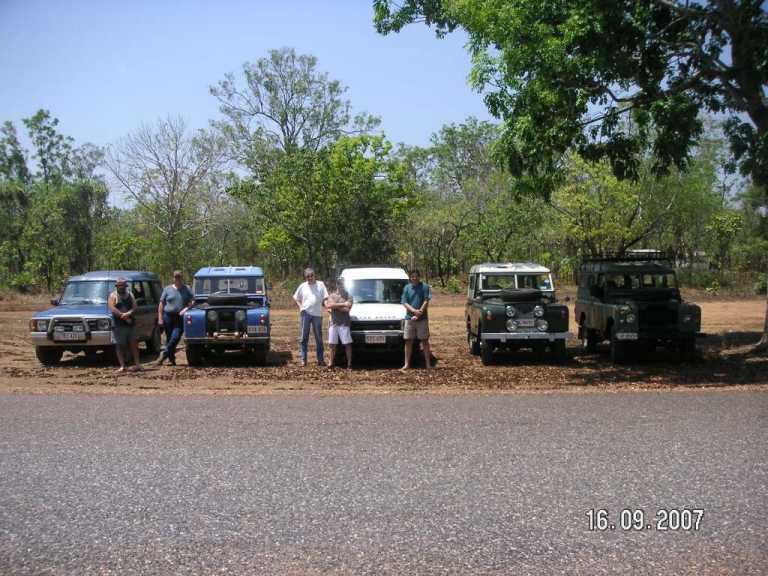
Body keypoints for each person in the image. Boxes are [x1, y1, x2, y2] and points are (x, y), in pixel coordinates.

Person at [156, 270, 194, 366]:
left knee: (175, 337)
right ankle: (171, 359)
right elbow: (161, 304)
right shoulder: (167, 289)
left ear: (182, 277)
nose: (177, 279)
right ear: (173, 278)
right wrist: (160, 318)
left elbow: (193, 300)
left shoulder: (187, 288)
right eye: (176, 277)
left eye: (179, 277)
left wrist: (186, 309)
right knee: (169, 338)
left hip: (180, 317)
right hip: (168, 316)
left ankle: (164, 354)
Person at [293, 268, 329, 367]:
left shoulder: (321, 284)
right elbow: (296, 297)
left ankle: (320, 360)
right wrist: (301, 307)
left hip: (317, 315)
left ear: (314, 275)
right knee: (304, 338)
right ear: (305, 277)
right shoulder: (302, 286)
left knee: (319, 338)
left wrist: (327, 307)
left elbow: (325, 298)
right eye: (307, 276)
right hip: (306, 314)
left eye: (311, 275)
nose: (310, 278)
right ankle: (303, 360)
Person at [400, 269, 432, 371]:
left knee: (425, 341)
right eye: (412, 276)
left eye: (416, 276)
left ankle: (428, 364)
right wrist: (414, 311)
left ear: (419, 276)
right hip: (409, 318)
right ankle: (406, 364)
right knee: (408, 341)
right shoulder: (407, 288)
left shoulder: (425, 287)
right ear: (410, 278)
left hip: (422, 319)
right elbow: (404, 302)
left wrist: (419, 313)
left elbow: (426, 301)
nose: (414, 278)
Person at [108, 277, 141, 373]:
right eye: (120, 285)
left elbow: (135, 307)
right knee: (119, 345)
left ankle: (137, 364)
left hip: (131, 324)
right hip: (118, 325)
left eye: (123, 285)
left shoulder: (130, 294)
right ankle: (122, 366)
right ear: (117, 286)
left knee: (134, 344)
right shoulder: (113, 295)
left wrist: (128, 313)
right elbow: (112, 308)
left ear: (125, 286)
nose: (121, 287)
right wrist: (124, 317)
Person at [325, 276, 354, 369]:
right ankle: (331, 363)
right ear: (336, 284)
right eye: (338, 283)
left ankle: (349, 364)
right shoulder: (332, 295)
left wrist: (334, 306)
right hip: (333, 324)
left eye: (342, 283)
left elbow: (347, 309)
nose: (340, 285)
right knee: (331, 345)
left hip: (344, 324)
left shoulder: (349, 296)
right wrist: (343, 304)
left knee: (347, 344)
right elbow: (329, 305)